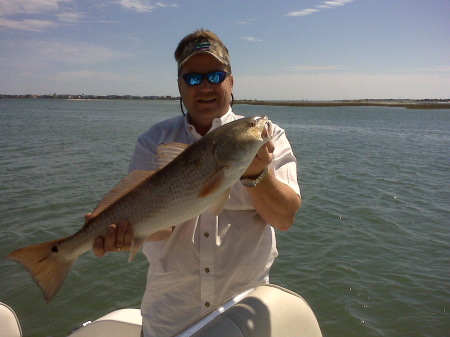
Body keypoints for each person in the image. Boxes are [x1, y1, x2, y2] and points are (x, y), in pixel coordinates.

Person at [92, 29, 301, 336]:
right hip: (170, 316)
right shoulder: (154, 142)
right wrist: (123, 232)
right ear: (179, 86)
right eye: (192, 78)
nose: (205, 86)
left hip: (243, 315)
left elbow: (284, 218)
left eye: (215, 76)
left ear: (231, 81)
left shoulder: (270, 136)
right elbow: (160, 226)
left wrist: (257, 175)